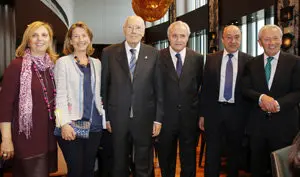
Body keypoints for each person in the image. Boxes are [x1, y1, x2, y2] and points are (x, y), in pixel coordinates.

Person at [101, 15, 164, 177]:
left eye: (138, 28)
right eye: (130, 27)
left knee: (144, 164)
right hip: (117, 118)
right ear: (124, 29)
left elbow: (159, 88)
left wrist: (158, 118)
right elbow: (104, 88)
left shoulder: (154, 53)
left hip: (145, 118)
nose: (134, 31)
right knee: (119, 163)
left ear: (143, 31)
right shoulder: (109, 53)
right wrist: (106, 117)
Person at [0, 21, 58, 177]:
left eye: (44, 35)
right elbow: (5, 107)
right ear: (28, 40)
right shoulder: (16, 66)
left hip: (48, 137)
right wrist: (6, 139)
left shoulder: (52, 66)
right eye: (35, 35)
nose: (40, 39)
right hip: (26, 138)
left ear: (50, 39)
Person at [242, 24, 300, 177]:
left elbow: (298, 91)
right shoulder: (251, 64)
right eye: (267, 39)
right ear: (259, 42)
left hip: (285, 126)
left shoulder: (295, 62)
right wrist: (261, 98)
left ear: (281, 40)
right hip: (258, 127)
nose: (271, 43)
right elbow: (245, 89)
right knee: (257, 168)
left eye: (275, 38)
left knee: (285, 170)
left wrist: (277, 104)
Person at [199, 25, 253, 177]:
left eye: (236, 37)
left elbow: (250, 91)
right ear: (222, 39)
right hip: (214, 112)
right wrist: (202, 114)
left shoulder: (249, 61)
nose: (233, 41)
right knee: (212, 153)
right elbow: (205, 89)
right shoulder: (211, 59)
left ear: (240, 39)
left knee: (234, 154)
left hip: (238, 113)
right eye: (229, 37)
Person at [54, 21, 106, 177]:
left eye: (84, 35)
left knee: (88, 170)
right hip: (72, 125)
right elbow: (60, 95)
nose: (80, 39)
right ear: (70, 41)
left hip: (94, 126)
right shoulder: (63, 62)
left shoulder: (97, 63)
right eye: (75, 36)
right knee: (75, 171)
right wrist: (63, 123)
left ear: (89, 39)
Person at [157, 21, 203, 177]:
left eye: (182, 36)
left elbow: (199, 88)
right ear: (168, 37)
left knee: (189, 160)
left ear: (188, 37)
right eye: (174, 35)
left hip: (189, 119)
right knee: (166, 159)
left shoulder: (197, 58)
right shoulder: (157, 57)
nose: (178, 39)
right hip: (165, 119)